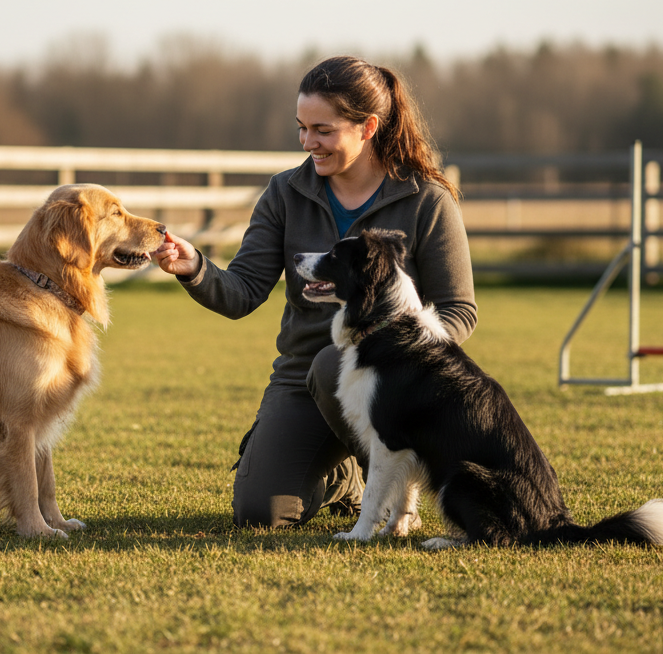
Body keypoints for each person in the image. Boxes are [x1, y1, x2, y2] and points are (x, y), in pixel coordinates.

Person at [152, 55, 477, 527]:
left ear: (367, 127)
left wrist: (394, 353)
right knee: (259, 513)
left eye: (322, 130)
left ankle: (387, 480)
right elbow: (243, 291)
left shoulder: (427, 200)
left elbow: (458, 312)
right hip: (301, 379)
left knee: (337, 362)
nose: (308, 142)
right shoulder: (284, 192)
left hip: (397, 385)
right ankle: (347, 478)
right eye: (302, 128)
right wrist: (195, 268)